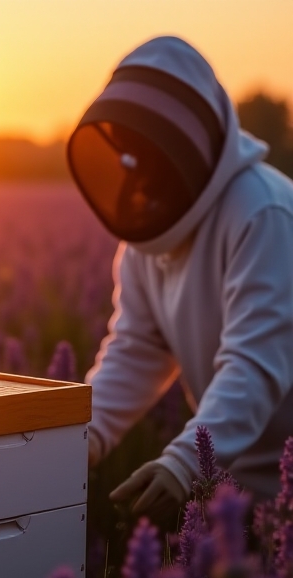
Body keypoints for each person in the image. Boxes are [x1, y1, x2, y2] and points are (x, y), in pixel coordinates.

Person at [67, 36, 293, 515]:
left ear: (191, 147)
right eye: (129, 153)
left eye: (153, 155)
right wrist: (79, 439)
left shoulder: (263, 212)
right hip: (234, 491)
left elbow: (255, 360)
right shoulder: (147, 237)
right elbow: (137, 349)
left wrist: (185, 463)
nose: (140, 175)